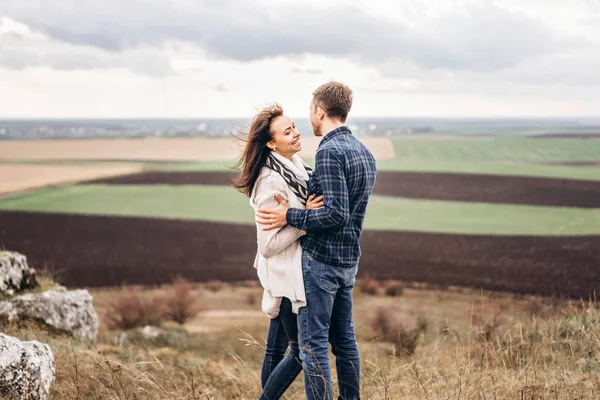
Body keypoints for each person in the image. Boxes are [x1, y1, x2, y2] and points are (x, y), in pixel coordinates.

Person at [256, 82, 377, 400]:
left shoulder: (328, 152)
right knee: (345, 342)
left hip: (321, 265)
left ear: (320, 112)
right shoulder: (364, 152)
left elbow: (335, 214)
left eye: (308, 111)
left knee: (311, 348)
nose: (305, 121)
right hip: (349, 261)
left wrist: (290, 217)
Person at [232, 103, 324, 400]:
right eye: (288, 132)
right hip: (284, 273)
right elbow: (269, 246)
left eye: (294, 126)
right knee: (299, 352)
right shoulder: (271, 181)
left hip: (290, 270)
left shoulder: (295, 167)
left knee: (276, 348)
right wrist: (305, 220)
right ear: (271, 143)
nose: (296, 133)